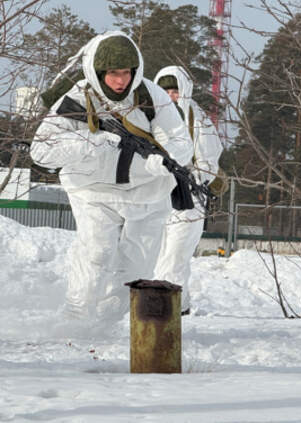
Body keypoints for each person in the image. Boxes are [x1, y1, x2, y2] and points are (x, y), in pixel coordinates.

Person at [30, 32, 194, 322]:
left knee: (138, 263)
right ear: (98, 72)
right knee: (96, 253)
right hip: (92, 189)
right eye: (113, 74)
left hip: (147, 190)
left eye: (127, 73)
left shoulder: (150, 95)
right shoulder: (77, 97)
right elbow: (41, 151)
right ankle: (76, 320)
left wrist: (162, 161)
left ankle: (110, 323)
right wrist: (91, 144)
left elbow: (182, 141)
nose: (121, 81)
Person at [152, 66, 225, 315]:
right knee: (161, 253)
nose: (170, 96)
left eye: (175, 91)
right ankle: (180, 305)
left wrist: (194, 176)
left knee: (175, 254)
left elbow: (210, 156)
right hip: (158, 195)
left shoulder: (197, 118)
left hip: (190, 198)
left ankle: (164, 308)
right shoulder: (151, 117)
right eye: (165, 91)